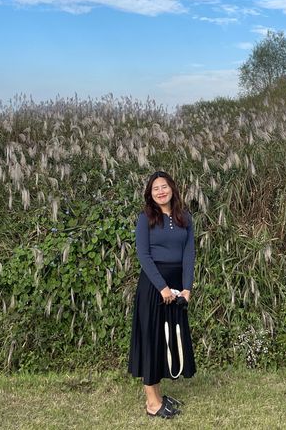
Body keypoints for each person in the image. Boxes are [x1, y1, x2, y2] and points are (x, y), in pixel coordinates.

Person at [127, 170, 196, 419]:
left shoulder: (184, 217)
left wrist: (186, 288)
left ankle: (158, 395)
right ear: (150, 193)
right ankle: (152, 403)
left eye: (164, 187)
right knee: (151, 340)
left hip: (177, 287)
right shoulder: (145, 218)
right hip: (153, 286)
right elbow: (143, 256)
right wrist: (162, 288)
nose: (160, 191)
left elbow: (189, 255)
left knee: (166, 341)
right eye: (155, 188)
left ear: (172, 189)